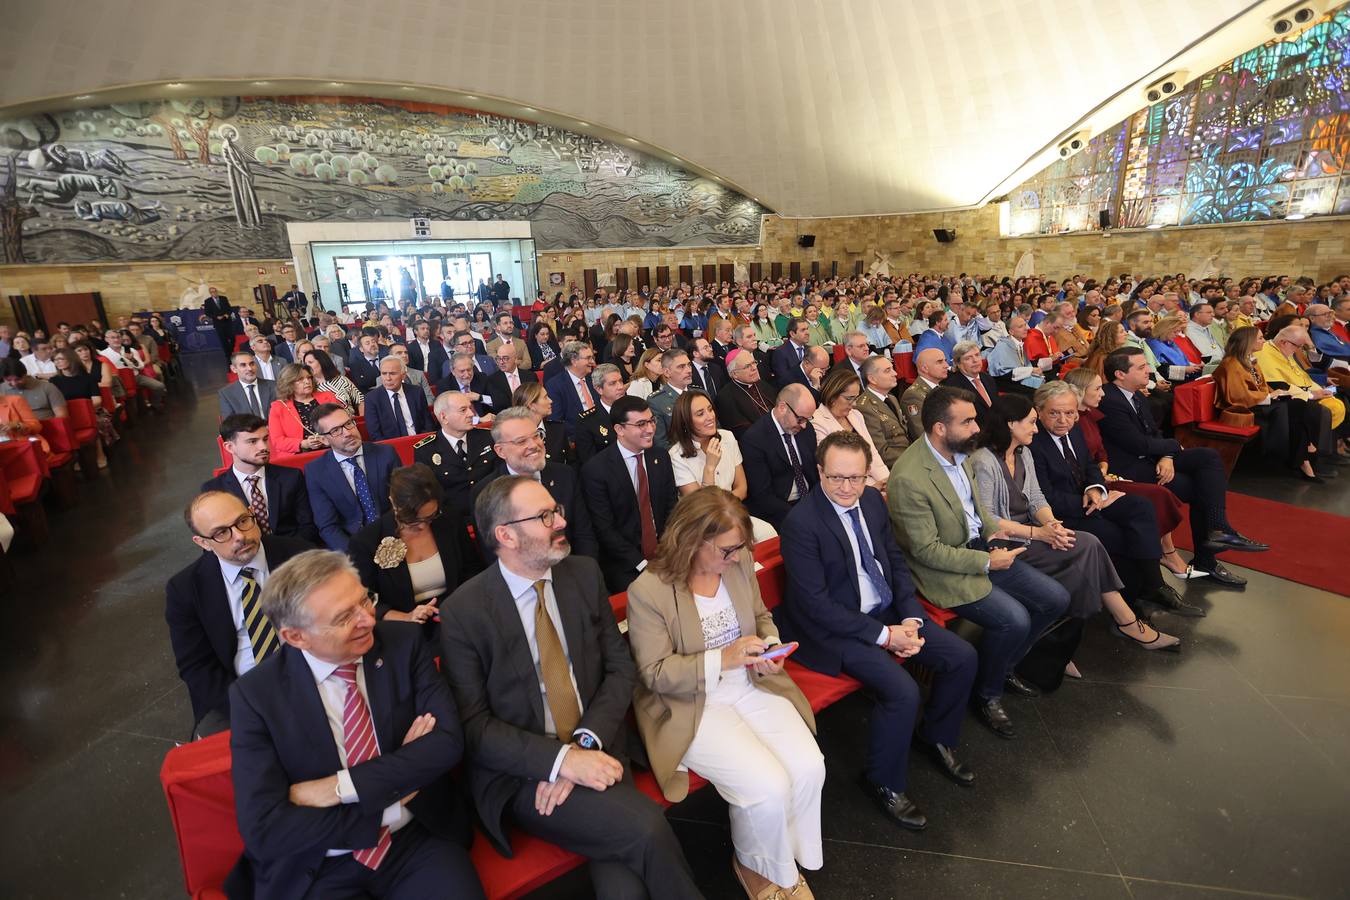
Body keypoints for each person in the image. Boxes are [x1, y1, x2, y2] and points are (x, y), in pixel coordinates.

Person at [439, 476, 701, 898]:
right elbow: (475, 727)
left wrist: (583, 745)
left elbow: (619, 668)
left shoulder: (582, 573)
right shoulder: (464, 611)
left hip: (596, 739)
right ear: (506, 535)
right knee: (646, 827)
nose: (561, 521)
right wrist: (559, 761)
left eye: (556, 510)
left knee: (625, 889)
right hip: (524, 772)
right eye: (545, 516)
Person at [229, 549, 483, 900]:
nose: (368, 619)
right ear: (296, 637)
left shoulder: (403, 643)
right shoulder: (256, 696)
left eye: (365, 600)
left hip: (416, 841)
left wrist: (339, 787)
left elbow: (446, 743)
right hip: (319, 865)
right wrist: (393, 794)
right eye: (344, 617)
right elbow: (266, 829)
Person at [627, 489, 824, 896]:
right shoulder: (649, 590)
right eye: (727, 550)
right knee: (766, 786)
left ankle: (783, 857)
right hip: (693, 702)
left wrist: (770, 647)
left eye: (739, 548)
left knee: (809, 767)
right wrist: (723, 659)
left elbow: (760, 616)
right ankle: (758, 868)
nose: (736, 558)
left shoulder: (739, 562)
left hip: (751, 682)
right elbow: (654, 673)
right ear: (692, 539)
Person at [780, 431, 979, 830]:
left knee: (962, 656)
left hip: (886, 611)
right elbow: (816, 605)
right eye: (836, 477)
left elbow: (893, 561)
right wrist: (886, 636)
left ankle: (935, 737)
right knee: (902, 691)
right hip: (835, 629)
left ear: (867, 474)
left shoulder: (871, 501)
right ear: (819, 471)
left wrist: (910, 619)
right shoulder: (801, 523)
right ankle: (883, 781)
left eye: (856, 477)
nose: (846, 487)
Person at [886, 387, 1070, 738]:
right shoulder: (910, 478)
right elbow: (927, 552)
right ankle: (987, 694)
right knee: (1014, 620)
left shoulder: (961, 451)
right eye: (968, 421)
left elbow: (977, 510)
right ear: (940, 428)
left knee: (1056, 599)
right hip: (944, 570)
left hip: (981, 549)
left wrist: (994, 534)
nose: (977, 428)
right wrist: (987, 561)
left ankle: (1000, 668)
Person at [970, 394, 1180, 651]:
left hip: (1032, 531)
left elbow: (1036, 498)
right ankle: (1117, 625)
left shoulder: (1023, 453)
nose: (1036, 429)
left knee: (1090, 542)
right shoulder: (983, 461)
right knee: (1085, 554)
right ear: (1011, 424)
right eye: (1032, 422)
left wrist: (1052, 525)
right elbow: (988, 519)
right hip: (1005, 542)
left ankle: (1113, 624)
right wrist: (1040, 533)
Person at [1029, 382, 1198, 618]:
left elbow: (1090, 465)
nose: (1063, 420)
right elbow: (1044, 496)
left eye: (1069, 413)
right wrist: (1093, 502)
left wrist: (1096, 489)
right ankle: (1131, 602)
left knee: (1141, 506)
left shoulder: (1073, 430)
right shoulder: (1033, 443)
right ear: (1039, 411)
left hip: (1090, 497)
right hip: (1062, 513)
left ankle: (1154, 585)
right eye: (1054, 413)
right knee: (1118, 534)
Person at [1097, 348, 1265, 585]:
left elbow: (1154, 433)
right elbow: (1137, 444)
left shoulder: (1136, 395)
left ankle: (1219, 528)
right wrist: (1173, 446)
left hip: (1151, 457)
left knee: (1208, 457)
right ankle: (1208, 555)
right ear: (1120, 374)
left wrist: (1167, 454)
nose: (1148, 370)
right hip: (1130, 467)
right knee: (1200, 488)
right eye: (1141, 367)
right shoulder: (1110, 400)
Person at [165, 491, 312, 737]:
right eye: (222, 533)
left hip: (311, 676)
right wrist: (247, 707)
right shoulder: (185, 589)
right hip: (238, 693)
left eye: (243, 521)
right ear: (203, 543)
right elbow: (197, 667)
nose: (240, 536)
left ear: (252, 514)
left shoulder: (299, 556)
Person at [1061, 367, 1197, 588]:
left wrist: (1103, 465)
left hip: (1101, 475)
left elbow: (1100, 451)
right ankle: (1162, 561)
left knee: (1160, 494)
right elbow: (1080, 461)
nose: (1102, 393)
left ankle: (1165, 555)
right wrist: (1100, 478)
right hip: (1093, 484)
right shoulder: (1074, 422)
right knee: (1155, 495)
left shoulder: (1090, 416)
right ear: (1080, 392)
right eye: (1097, 389)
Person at [470, 407, 598, 559]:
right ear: (500, 451)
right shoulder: (485, 493)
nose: (534, 445)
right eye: (521, 441)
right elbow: (495, 555)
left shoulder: (565, 475)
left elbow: (584, 535)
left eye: (536, 435)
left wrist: (585, 570)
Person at [580, 396, 677, 592]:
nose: (650, 429)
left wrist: (669, 550)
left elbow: (671, 508)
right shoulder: (597, 470)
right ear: (619, 429)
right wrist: (642, 564)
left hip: (665, 552)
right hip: (625, 562)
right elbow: (604, 529)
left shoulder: (660, 457)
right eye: (641, 424)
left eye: (651, 421)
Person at [347, 463, 465, 625]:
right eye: (412, 520)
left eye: (430, 517)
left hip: (456, 613)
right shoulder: (367, 541)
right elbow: (366, 598)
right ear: (393, 502)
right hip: (403, 625)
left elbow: (471, 569)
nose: (423, 526)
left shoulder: (449, 520)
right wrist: (406, 617)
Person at [1216, 326, 1328, 482]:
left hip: (1258, 401)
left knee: (1298, 404)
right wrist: (1269, 396)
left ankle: (1303, 458)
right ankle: (1304, 455)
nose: (1264, 340)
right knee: (1295, 406)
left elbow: (1262, 384)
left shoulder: (1250, 359)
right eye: (1260, 338)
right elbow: (1238, 395)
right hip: (1244, 408)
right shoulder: (1231, 364)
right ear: (1248, 342)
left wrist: (1275, 393)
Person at [666, 390, 776, 540]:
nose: (710, 416)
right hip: (700, 525)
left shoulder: (727, 437)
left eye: (710, 409)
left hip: (731, 513)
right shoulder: (676, 455)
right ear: (686, 422)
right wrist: (709, 467)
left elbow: (742, 488)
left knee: (768, 533)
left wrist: (724, 508)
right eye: (700, 414)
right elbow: (701, 508)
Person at [202, 414, 319, 544]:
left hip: (291, 549)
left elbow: (308, 527)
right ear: (230, 447)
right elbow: (215, 538)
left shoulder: (291, 477)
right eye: (252, 441)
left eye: (265, 439)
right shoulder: (214, 489)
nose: (263, 447)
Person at [306, 403, 401, 551]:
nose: (347, 433)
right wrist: (354, 554)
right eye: (336, 431)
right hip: (352, 544)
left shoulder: (386, 454)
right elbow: (328, 526)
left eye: (348, 424)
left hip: (394, 535)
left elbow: (403, 503)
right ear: (324, 440)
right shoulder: (316, 471)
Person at [811, 367, 890, 490]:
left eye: (856, 398)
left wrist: (886, 482)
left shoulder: (856, 415)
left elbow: (871, 453)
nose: (854, 404)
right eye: (849, 398)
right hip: (846, 487)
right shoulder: (817, 422)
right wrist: (871, 488)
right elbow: (834, 468)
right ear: (832, 396)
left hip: (871, 480)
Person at [268, 364, 337, 455]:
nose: (307, 381)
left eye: (309, 377)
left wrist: (329, 439)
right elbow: (277, 441)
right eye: (300, 379)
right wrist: (304, 443)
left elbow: (341, 424)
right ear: (289, 383)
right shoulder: (278, 407)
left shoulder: (328, 397)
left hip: (333, 449)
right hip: (300, 455)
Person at [854, 355, 909, 468]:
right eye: (887, 371)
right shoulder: (865, 407)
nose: (895, 373)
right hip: (895, 466)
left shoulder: (891, 398)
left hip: (907, 455)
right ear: (872, 379)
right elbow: (882, 452)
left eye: (892, 369)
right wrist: (914, 459)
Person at [365, 356, 433, 442]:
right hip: (391, 446)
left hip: (420, 442)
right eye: (384, 373)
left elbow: (428, 423)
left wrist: (422, 442)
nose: (388, 378)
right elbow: (375, 434)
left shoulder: (416, 392)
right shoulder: (372, 398)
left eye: (393, 374)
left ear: (403, 375)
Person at [715, 347, 778, 437]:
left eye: (754, 363)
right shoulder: (725, 398)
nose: (754, 368)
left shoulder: (762, 384)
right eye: (747, 366)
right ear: (734, 374)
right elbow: (742, 432)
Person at [544, 340, 600, 440]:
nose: (592, 362)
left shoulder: (594, 378)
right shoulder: (555, 385)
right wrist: (586, 432)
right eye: (588, 358)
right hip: (577, 437)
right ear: (574, 361)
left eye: (592, 357)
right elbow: (557, 421)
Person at [574, 363, 626, 466]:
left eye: (621, 381)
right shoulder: (587, 421)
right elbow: (590, 462)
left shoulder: (634, 410)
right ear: (599, 389)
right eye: (613, 383)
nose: (620, 387)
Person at [511, 380, 571, 466]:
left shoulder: (558, 429)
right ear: (531, 405)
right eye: (545, 397)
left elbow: (571, 462)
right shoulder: (513, 436)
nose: (551, 401)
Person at [943, 341, 1001, 427]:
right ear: (958, 363)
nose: (975, 360)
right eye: (968, 358)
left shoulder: (987, 378)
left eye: (977, 355)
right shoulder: (953, 386)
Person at [898, 347, 950, 441]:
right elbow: (922, 433)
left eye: (945, 361)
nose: (946, 365)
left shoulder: (942, 388)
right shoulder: (913, 395)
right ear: (925, 368)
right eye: (939, 362)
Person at [647, 348, 694, 450]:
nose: (689, 370)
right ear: (667, 372)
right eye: (681, 367)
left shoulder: (700, 393)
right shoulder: (657, 401)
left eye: (689, 365)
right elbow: (661, 443)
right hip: (679, 455)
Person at [220, 351, 278, 419]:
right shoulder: (227, 393)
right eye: (243, 365)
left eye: (252, 364)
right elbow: (230, 421)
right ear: (234, 369)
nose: (250, 368)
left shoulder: (273, 386)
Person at [204, 286, 234, 358]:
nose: (214, 293)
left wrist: (227, 314)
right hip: (218, 323)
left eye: (215, 291)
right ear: (210, 293)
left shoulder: (224, 298)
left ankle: (232, 351)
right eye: (212, 292)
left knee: (232, 338)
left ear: (217, 291)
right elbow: (207, 313)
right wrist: (216, 317)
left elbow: (229, 308)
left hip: (227, 321)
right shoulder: (207, 301)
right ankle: (228, 355)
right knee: (223, 340)